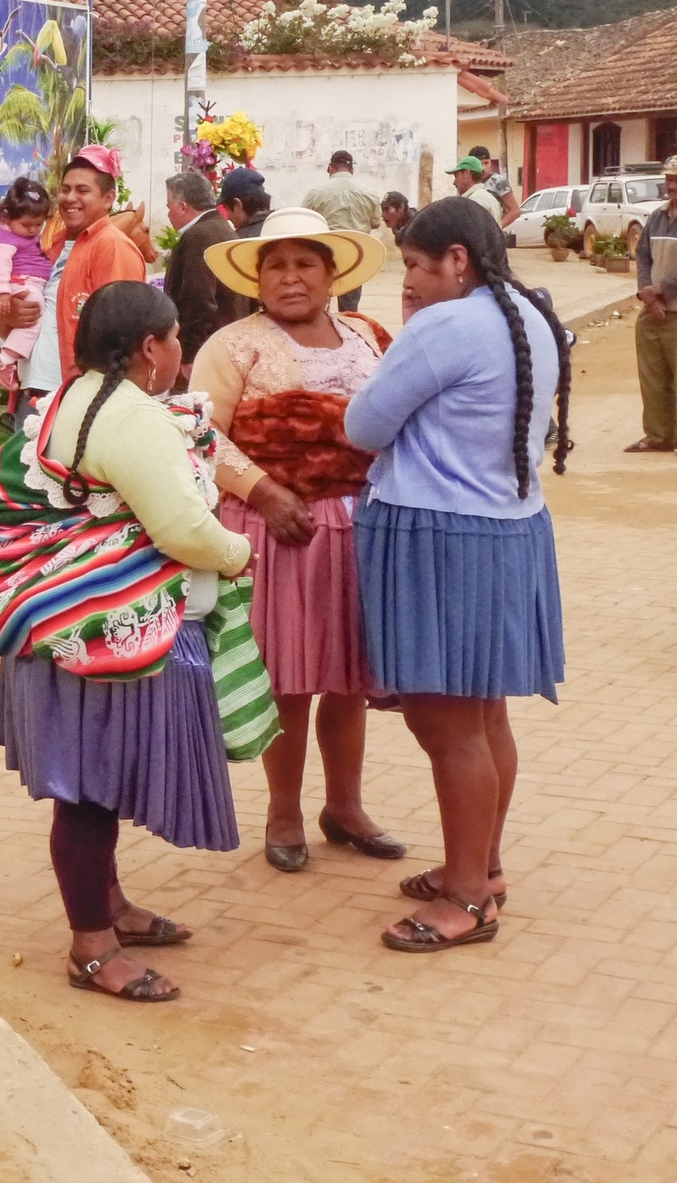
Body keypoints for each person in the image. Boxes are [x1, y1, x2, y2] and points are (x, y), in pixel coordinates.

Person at [0, 281, 252, 1000]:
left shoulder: (68, 399)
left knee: (93, 782)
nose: (179, 352)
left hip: (66, 624)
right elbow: (182, 529)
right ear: (148, 349)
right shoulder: (132, 419)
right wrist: (238, 554)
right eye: (174, 339)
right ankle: (92, 948)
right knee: (88, 790)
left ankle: (108, 907)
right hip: (103, 635)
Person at [345, 198, 572, 952]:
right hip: (507, 530)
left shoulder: (447, 325)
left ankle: (468, 899)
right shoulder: (528, 316)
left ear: (457, 262)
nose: (407, 281)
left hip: (439, 535)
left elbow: (364, 426)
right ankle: (482, 866)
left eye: (414, 265)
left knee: (446, 725)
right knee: (484, 716)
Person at [192, 207, 405, 872]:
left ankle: (345, 805)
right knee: (285, 678)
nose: (290, 278)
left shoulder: (369, 336)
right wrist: (263, 490)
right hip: (276, 532)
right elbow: (199, 433)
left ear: (332, 272)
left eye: (304, 263)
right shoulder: (231, 347)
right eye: (275, 265)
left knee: (346, 677)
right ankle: (282, 811)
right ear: (256, 279)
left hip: (358, 530)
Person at [0, 144, 145, 429]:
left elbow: (123, 333)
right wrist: (5, 316)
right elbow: (4, 323)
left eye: (82, 190)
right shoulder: (50, 244)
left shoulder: (113, 246)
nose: (70, 198)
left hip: (77, 396)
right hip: (34, 390)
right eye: (65, 189)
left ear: (108, 199)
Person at [164, 172, 247, 379]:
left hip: (208, 352)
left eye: (169, 207)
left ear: (183, 206)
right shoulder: (222, 229)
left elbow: (198, 298)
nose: (168, 214)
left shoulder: (199, 236)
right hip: (228, 345)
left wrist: (191, 354)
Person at [626, 154, 677, 454]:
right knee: (653, 377)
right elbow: (643, 255)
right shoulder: (657, 216)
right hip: (653, 310)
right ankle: (659, 436)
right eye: (669, 179)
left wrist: (660, 291)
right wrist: (646, 293)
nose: (672, 185)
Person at [0, 177, 53, 393]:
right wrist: (1, 293)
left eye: (38, 225)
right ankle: (4, 360)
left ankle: (9, 360)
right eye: (26, 225)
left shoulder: (18, 234)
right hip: (18, 285)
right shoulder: (2, 236)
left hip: (28, 283)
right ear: (6, 216)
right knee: (34, 312)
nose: (32, 230)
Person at [302, 150, 381, 312]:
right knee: (350, 308)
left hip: (323, 254)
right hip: (355, 253)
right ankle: (348, 333)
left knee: (320, 303)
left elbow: (303, 219)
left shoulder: (316, 193)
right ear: (352, 170)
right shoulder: (369, 194)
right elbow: (376, 223)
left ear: (330, 168)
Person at [469, 145, 521, 229]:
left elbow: (515, 211)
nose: (483, 168)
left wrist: (496, 228)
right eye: (479, 164)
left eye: (486, 163)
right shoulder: (468, 182)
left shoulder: (498, 182)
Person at [446, 156, 502, 227]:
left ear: (466, 174)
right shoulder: (491, 199)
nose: (454, 182)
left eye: (456, 176)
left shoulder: (474, 200)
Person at [220, 167, 272, 238]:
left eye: (226, 208)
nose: (228, 217)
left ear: (237, 204)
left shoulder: (238, 242)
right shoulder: (284, 227)